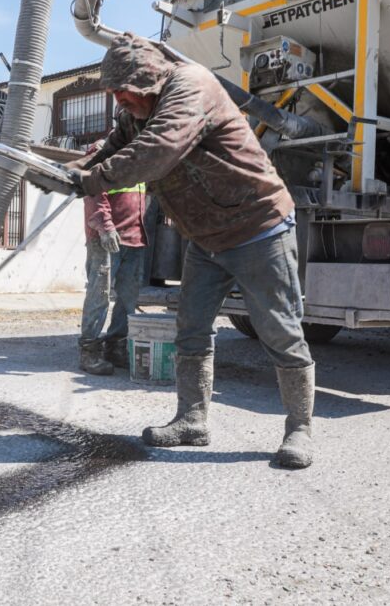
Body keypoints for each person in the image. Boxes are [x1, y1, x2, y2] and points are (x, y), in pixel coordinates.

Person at [68, 32, 316, 469]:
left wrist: (93, 179)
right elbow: (113, 149)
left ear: (149, 78)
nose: (120, 101)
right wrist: (70, 171)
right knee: (191, 327)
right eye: (114, 94)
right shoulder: (135, 112)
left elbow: (158, 151)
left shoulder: (190, 85)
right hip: (206, 236)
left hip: (258, 226)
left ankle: (300, 428)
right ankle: (192, 419)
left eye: (124, 91)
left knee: (279, 329)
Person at [78, 139, 146, 375]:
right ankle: (89, 350)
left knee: (128, 298)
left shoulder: (141, 149)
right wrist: (104, 226)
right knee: (100, 294)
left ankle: (116, 347)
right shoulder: (103, 149)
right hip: (107, 236)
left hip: (134, 235)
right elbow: (92, 189)